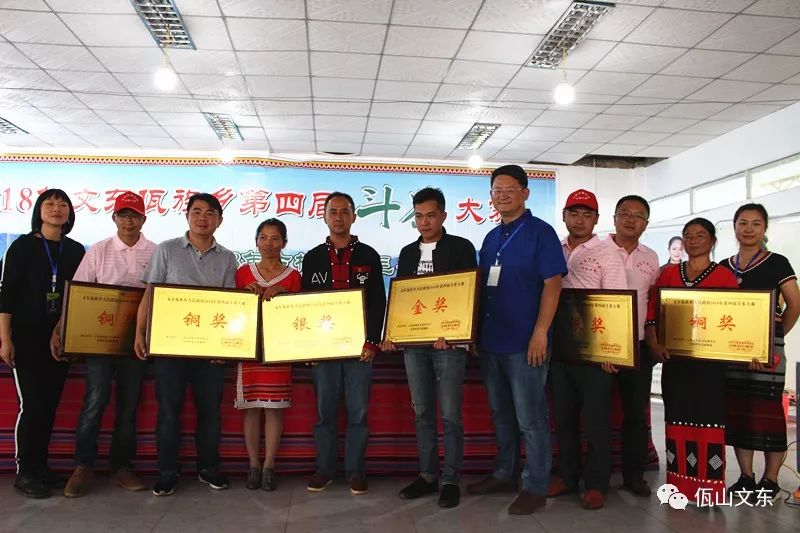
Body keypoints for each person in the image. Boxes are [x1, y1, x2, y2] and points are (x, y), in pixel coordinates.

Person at [466, 165, 567, 515]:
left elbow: (553, 285)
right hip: (492, 341)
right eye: (497, 190)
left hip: (527, 342)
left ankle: (535, 485)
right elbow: (481, 288)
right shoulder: (491, 237)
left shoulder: (541, 233)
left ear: (525, 193)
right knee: (501, 414)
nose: (503, 195)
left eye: (510, 189)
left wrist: (540, 332)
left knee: (530, 418)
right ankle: (504, 473)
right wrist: (474, 333)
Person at [133, 193, 238, 497]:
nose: (203, 218)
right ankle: (167, 472)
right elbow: (150, 294)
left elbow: (231, 306)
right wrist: (139, 333)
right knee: (169, 410)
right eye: (197, 211)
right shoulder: (166, 250)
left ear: (219, 220)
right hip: (170, 348)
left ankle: (209, 468)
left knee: (210, 412)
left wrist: (228, 347)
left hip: (211, 351)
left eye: (210, 213)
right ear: (187, 216)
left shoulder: (227, 258)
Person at [53, 192, 156, 498]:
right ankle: (83, 466)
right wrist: (61, 330)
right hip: (100, 342)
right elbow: (78, 296)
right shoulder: (98, 250)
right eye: (123, 215)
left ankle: (121, 467)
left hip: (136, 342)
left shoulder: (155, 252)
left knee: (128, 405)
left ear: (143, 220)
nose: (128, 221)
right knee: (95, 401)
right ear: (114, 218)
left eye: (134, 216)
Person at [381, 187, 477, 509]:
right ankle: (427, 475)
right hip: (415, 346)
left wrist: (456, 333)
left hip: (448, 345)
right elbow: (403, 300)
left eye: (431, 215)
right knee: (422, 412)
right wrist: (392, 334)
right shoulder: (407, 253)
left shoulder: (461, 248)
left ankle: (450, 479)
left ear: (444, 216)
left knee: (449, 415)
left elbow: (468, 294)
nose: (425, 222)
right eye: (419, 216)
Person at [645, 218, 738, 503]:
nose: (693, 240)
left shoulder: (724, 277)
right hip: (676, 362)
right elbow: (652, 314)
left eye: (700, 235)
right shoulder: (669, 274)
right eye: (688, 235)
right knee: (677, 419)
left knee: (708, 422)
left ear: (712, 241)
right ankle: (678, 485)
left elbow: (736, 320)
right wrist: (654, 344)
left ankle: (708, 488)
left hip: (710, 366)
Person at [0, 189, 85, 498]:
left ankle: (41, 467)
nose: (56, 209)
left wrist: (70, 335)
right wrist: (5, 338)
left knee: (49, 405)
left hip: (60, 338)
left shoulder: (75, 250)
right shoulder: (22, 246)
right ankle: (25, 471)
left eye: (63, 204)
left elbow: (79, 295)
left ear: (70, 213)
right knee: (32, 405)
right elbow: (6, 294)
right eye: (50, 203)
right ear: (39, 210)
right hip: (26, 337)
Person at [301, 192, 386, 496]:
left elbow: (378, 301)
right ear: (324, 216)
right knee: (324, 413)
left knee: (358, 413)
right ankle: (324, 470)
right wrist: (309, 346)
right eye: (333, 211)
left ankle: (355, 472)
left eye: (344, 211)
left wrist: (372, 341)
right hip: (324, 351)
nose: (338, 217)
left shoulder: (369, 255)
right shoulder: (312, 258)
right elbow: (304, 305)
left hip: (359, 350)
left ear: (353, 216)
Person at [548, 189, 627, 510]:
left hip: (596, 350)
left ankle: (596, 483)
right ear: (564, 216)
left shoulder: (608, 253)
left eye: (587, 215)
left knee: (595, 420)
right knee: (563, 416)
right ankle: (567, 476)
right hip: (560, 347)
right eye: (574, 214)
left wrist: (613, 351)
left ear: (596, 219)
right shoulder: (554, 249)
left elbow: (618, 302)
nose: (579, 220)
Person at [721, 203, 799, 501]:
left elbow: (795, 304)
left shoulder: (777, 262)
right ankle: (746, 477)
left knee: (768, 413)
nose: (749, 229)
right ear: (734, 227)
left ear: (765, 228)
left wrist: (774, 340)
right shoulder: (724, 266)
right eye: (743, 223)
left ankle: (771, 479)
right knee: (739, 410)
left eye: (756, 223)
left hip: (768, 353)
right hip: (732, 351)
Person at [234, 218, 301, 492]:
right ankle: (253, 465)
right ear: (256, 242)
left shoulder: (293, 276)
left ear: (284, 243)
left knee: (274, 409)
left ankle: (269, 466)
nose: (269, 243)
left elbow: (300, 316)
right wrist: (243, 295)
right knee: (251, 408)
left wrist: (285, 295)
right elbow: (230, 310)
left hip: (278, 351)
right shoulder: (242, 273)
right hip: (249, 350)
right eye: (263, 237)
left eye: (275, 238)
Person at [604, 195, 660, 497]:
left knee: (636, 415)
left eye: (638, 216)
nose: (630, 219)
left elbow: (652, 302)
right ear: (614, 218)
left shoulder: (651, 257)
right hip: (600, 346)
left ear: (646, 224)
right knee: (597, 412)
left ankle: (634, 475)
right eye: (624, 213)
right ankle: (597, 476)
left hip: (637, 346)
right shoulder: (596, 250)